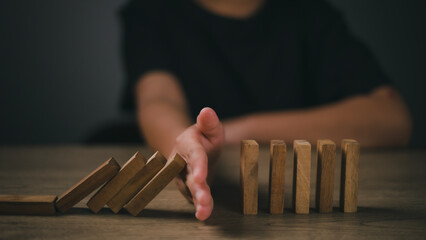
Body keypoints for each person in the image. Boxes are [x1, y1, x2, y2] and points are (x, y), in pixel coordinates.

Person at [120, 0, 412, 221]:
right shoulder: (152, 11)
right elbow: (157, 99)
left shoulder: (310, 14)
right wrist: (185, 143)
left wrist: (233, 133)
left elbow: (393, 117)